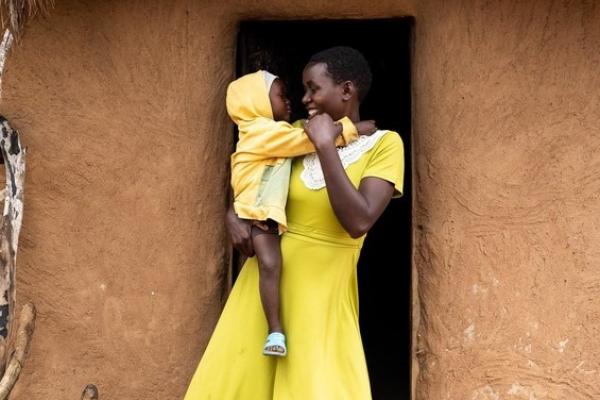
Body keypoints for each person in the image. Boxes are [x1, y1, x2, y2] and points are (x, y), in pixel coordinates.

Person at [184, 46, 404, 399]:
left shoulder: (385, 144)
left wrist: (326, 146)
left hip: (322, 297)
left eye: (313, 88)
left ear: (346, 90)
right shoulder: (296, 136)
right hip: (265, 291)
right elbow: (252, 179)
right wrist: (232, 215)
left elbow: (358, 220)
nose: (304, 99)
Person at [226, 70, 371, 356]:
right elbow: (307, 140)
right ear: (258, 103)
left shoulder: (274, 132)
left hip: (297, 255)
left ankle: (275, 331)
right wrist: (351, 129)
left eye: (311, 90)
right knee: (269, 265)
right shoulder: (264, 133)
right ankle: (275, 330)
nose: (294, 100)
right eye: (281, 96)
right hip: (259, 217)